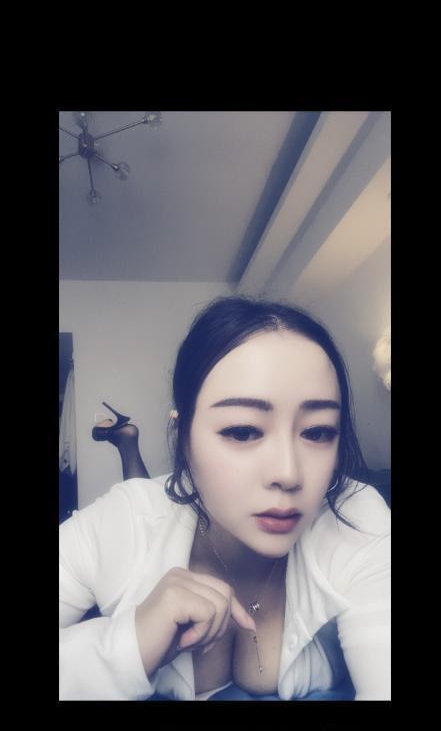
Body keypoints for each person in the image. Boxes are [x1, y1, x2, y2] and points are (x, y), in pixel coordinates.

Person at [59, 295, 391, 701]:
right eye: (243, 431)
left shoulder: (353, 516)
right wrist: (129, 644)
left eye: (318, 432)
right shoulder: (124, 520)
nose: (289, 473)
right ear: (184, 437)